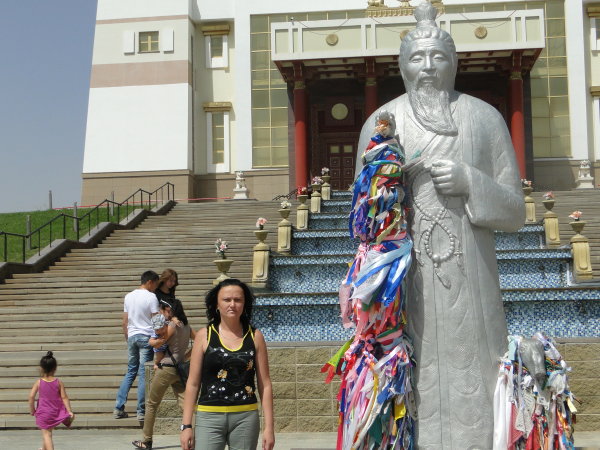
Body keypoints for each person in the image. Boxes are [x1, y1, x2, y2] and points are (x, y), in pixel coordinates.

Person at [354, 2, 525, 447]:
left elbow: (515, 211)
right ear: (402, 67)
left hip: (472, 275)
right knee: (409, 376)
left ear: (453, 64)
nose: (428, 67)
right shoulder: (381, 124)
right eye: (417, 58)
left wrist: (471, 181)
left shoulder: (484, 118)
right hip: (405, 281)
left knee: (478, 373)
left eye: (438, 57)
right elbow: (362, 221)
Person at [180, 279, 275, 450]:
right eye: (226, 300)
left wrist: (269, 427)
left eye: (238, 300)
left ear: (244, 304)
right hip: (209, 417)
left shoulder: (255, 336)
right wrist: (186, 425)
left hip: (245, 417)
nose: (232, 304)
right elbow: (193, 383)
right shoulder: (204, 336)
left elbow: (265, 384)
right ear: (217, 304)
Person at [133, 298, 194, 449]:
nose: (161, 312)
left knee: (152, 404)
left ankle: (146, 441)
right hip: (179, 368)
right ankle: (194, 439)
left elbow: (158, 342)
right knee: (186, 406)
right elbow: (199, 339)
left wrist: (152, 342)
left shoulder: (171, 326)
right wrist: (186, 356)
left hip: (166, 368)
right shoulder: (186, 326)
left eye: (162, 310)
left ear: (169, 310)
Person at [114, 270, 160, 421]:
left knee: (131, 371)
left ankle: (118, 407)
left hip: (132, 336)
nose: (156, 287)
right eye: (155, 284)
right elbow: (156, 320)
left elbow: (124, 321)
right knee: (143, 374)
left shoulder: (129, 296)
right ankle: (141, 410)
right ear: (150, 282)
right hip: (146, 337)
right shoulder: (151, 297)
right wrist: (159, 337)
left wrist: (127, 337)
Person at [28, 351, 74, 450]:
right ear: (55, 368)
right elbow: (64, 397)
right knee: (47, 432)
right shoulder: (58, 382)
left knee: (47, 434)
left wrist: (32, 410)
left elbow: (31, 396)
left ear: (41, 368)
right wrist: (69, 410)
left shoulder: (39, 382)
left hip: (43, 413)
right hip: (55, 412)